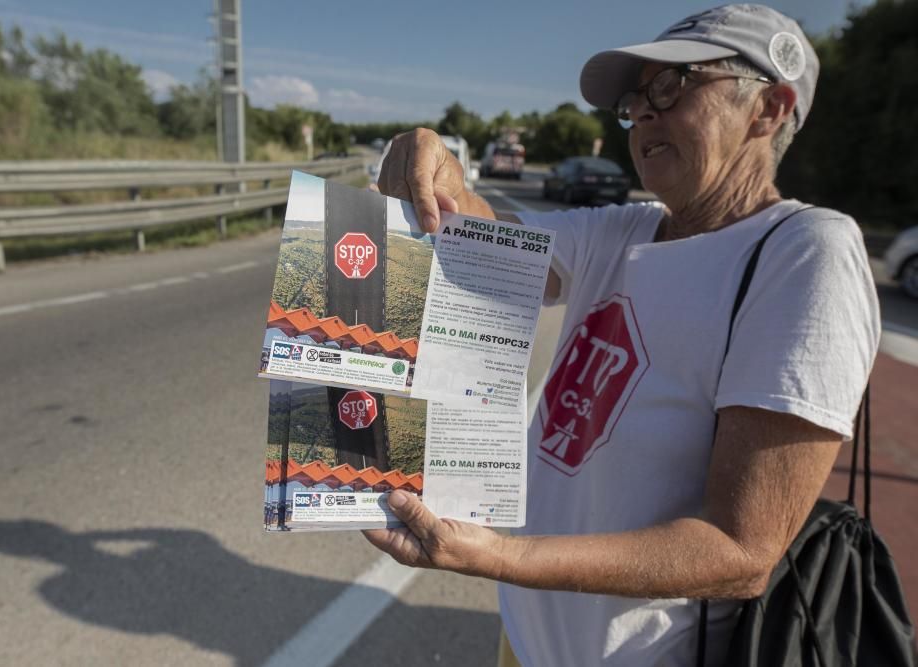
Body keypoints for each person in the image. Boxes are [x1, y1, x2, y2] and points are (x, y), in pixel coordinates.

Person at [364, 4, 880, 666]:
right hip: (525, 641)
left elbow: (740, 549)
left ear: (770, 108)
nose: (643, 115)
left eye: (670, 87)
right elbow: (484, 244)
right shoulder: (627, 228)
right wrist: (440, 173)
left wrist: (498, 554)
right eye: (634, 102)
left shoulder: (805, 251)